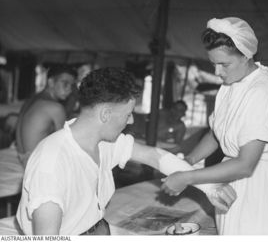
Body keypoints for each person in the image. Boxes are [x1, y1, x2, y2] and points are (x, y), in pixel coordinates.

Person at [16, 67, 237, 235]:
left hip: (98, 228)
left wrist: (210, 187)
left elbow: (154, 156)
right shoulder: (52, 163)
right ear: (105, 115)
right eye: (128, 113)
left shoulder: (104, 142)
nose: (131, 120)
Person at [161, 17, 268, 235]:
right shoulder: (230, 85)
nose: (217, 72)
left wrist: (188, 177)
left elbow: (246, 164)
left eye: (224, 64)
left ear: (246, 56)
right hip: (231, 177)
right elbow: (217, 133)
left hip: (259, 183)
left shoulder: (261, 92)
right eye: (213, 63)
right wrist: (189, 161)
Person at [15, 65, 76, 168]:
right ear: (51, 82)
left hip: (23, 157)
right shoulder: (55, 108)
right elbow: (65, 145)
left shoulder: (32, 99)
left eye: (72, 85)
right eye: (65, 83)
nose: (69, 89)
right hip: (34, 163)